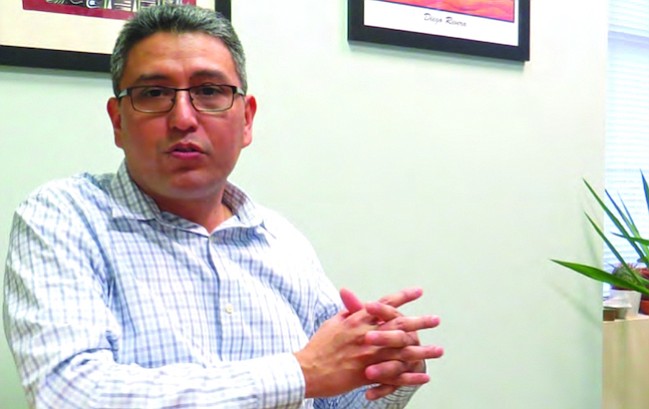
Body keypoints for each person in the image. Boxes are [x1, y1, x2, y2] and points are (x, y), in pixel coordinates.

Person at [3, 4, 443, 408]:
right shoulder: (64, 217)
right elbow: (69, 393)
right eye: (154, 93)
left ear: (246, 119)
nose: (183, 118)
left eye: (210, 90)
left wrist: (386, 367)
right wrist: (300, 372)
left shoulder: (282, 242)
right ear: (118, 121)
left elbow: (330, 395)